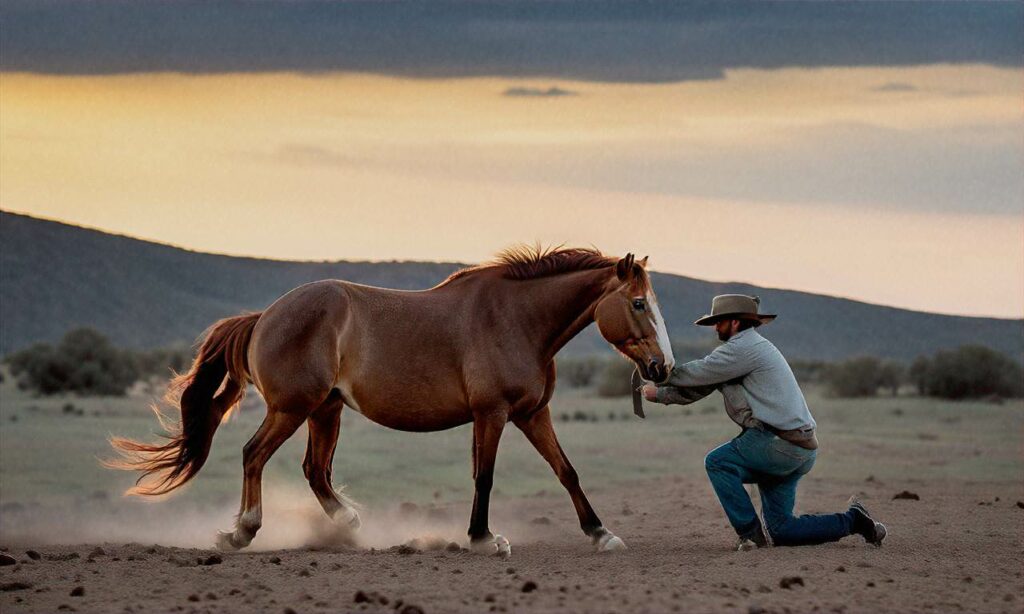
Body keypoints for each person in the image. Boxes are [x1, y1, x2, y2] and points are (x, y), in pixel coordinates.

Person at [641, 294, 887, 550]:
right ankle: (854, 521)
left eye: (719, 321)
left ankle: (749, 535)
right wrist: (659, 394)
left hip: (776, 443)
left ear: (734, 323)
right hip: (800, 448)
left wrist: (660, 376)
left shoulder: (742, 348)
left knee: (718, 463)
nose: (715, 327)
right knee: (783, 530)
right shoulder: (746, 352)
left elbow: (699, 372)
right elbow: (701, 385)